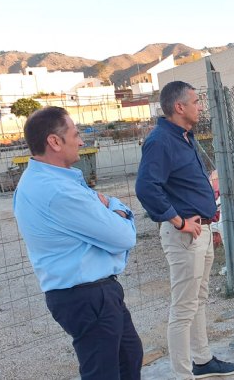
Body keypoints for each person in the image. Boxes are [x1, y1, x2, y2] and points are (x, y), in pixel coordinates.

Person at [13, 107, 143, 379]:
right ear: (54, 141)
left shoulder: (45, 179)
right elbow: (124, 237)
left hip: (89, 294)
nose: (81, 141)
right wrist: (118, 209)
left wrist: (107, 207)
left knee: (129, 357)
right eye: (75, 134)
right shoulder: (57, 190)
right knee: (105, 372)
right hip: (87, 297)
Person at [135, 81, 234, 379]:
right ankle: (182, 374)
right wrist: (179, 221)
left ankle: (203, 360)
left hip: (201, 231)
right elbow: (146, 188)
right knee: (183, 309)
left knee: (198, 300)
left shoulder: (184, 136)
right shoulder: (160, 141)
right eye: (196, 101)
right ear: (179, 107)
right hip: (184, 236)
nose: (200, 107)